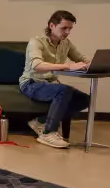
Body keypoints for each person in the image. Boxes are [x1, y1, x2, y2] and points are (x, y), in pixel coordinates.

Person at [19, 9, 92, 149]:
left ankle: (41, 122)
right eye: (64, 28)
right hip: (31, 83)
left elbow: (82, 59)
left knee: (85, 99)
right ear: (52, 26)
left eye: (70, 29)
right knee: (63, 91)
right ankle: (47, 133)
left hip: (50, 84)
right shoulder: (36, 42)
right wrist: (67, 66)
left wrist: (93, 64)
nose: (67, 32)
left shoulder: (66, 44)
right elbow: (37, 65)